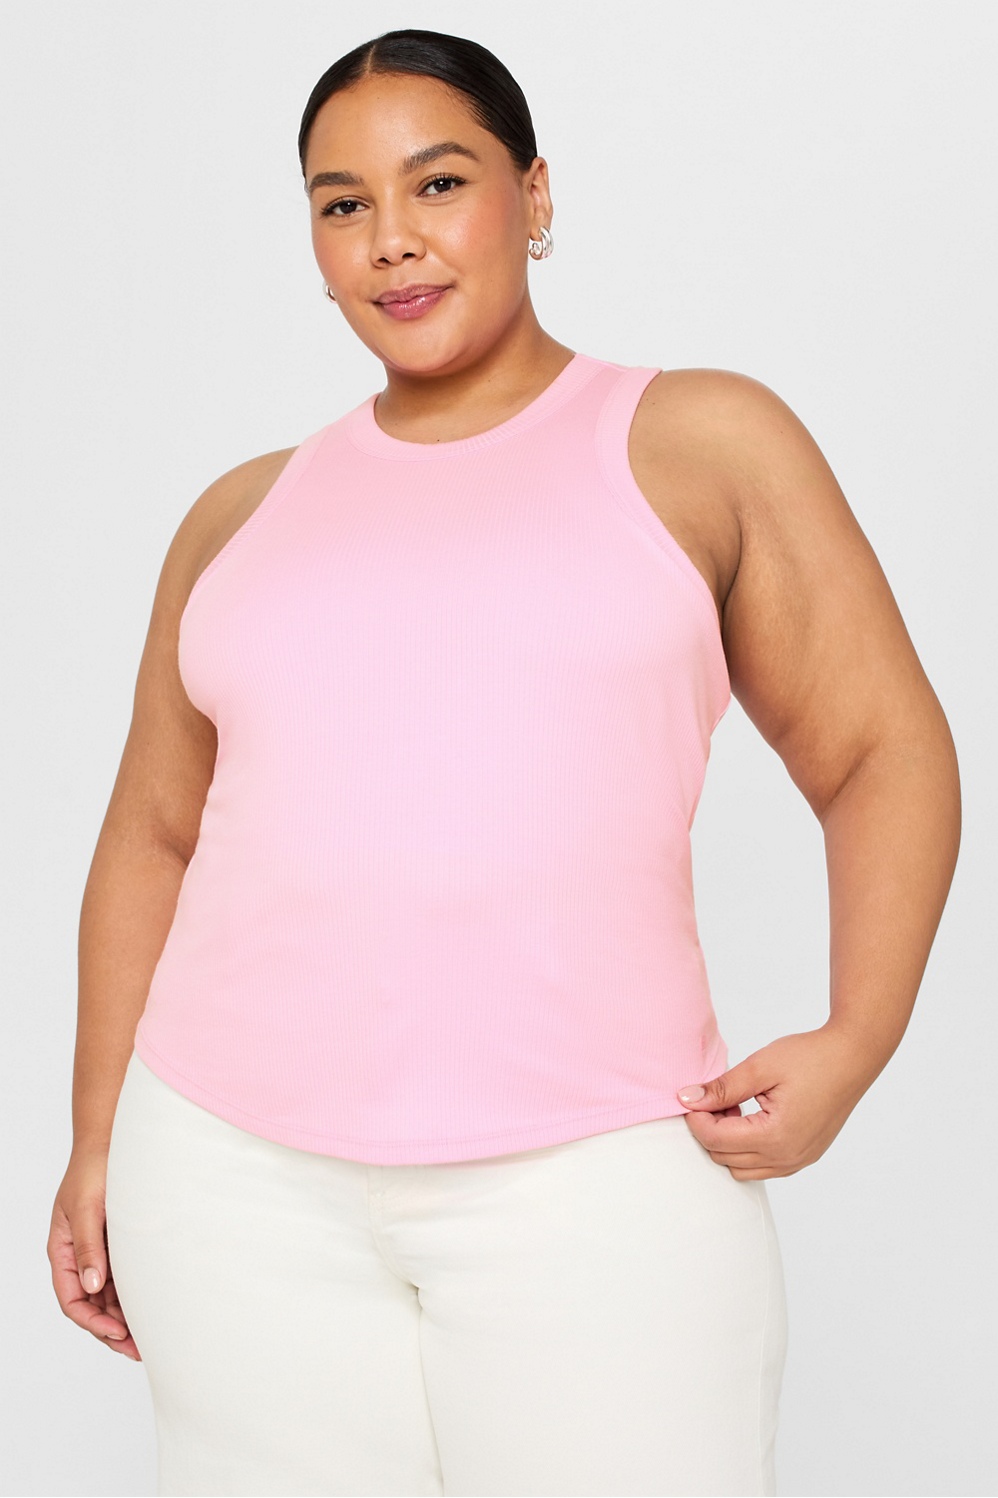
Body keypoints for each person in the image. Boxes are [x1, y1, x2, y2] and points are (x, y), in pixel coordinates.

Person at [47, 25, 961, 1498]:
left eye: (438, 183)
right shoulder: (238, 516)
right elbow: (153, 834)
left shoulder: (696, 443)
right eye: (342, 204)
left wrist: (861, 1033)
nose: (391, 241)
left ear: (533, 194)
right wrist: (99, 1136)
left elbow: (879, 748)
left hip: (596, 1174)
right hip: (225, 1178)